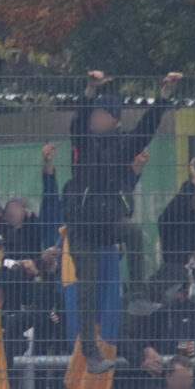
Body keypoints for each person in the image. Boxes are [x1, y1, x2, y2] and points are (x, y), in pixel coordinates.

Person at [65, 70, 178, 371]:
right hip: (82, 225)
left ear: (115, 119)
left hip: (110, 218)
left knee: (135, 233)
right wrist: (89, 89)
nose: (95, 118)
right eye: (94, 113)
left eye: (102, 114)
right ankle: (91, 353)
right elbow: (78, 121)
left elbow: (146, 130)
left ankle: (138, 296)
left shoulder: (123, 144)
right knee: (86, 287)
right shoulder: (84, 142)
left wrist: (163, 97)